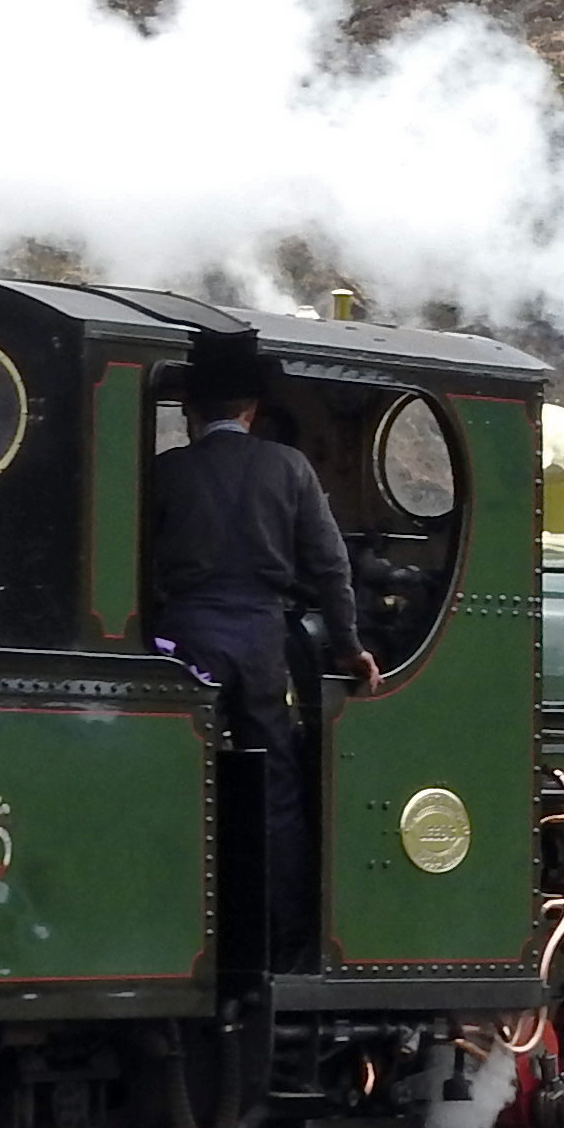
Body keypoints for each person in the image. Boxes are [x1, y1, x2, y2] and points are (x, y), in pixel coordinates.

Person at [147, 329, 380, 969]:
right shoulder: (290, 469)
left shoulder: (167, 473)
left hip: (183, 639)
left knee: (181, 779)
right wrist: (350, 647)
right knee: (274, 787)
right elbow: (332, 569)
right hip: (259, 641)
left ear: (191, 412)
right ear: (251, 409)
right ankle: (282, 941)